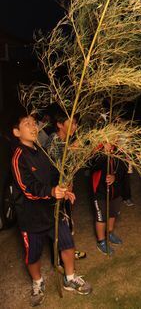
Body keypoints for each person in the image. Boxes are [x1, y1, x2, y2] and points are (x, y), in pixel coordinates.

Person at [11, 111, 91, 307]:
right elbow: (27, 188)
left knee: (68, 243)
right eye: (27, 124)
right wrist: (51, 191)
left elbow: (53, 173)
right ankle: (37, 283)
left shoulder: (42, 150)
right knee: (33, 254)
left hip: (53, 210)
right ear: (16, 132)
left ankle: (70, 278)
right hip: (32, 216)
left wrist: (63, 188)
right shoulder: (18, 157)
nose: (33, 127)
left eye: (33, 123)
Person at [45, 111, 86, 260]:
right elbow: (55, 168)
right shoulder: (53, 141)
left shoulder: (67, 140)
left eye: (75, 123)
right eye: (71, 123)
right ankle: (59, 260)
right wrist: (70, 151)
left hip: (66, 189)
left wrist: (70, 183)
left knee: (67, 221)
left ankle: (69, 250)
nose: (74, 126)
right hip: (56, 191)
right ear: (60, 124)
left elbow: (71, 168)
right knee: (57, 224)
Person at [91, 143, 126, 255]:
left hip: (116, 190)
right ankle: (101, 241)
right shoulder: (97, 150)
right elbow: (92, 166)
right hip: (100, 191)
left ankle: (109, 233)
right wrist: (104, 154)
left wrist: (115, 177)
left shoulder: (119, 150)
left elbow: (124, 168)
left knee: (113, 212)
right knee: (101, 216)